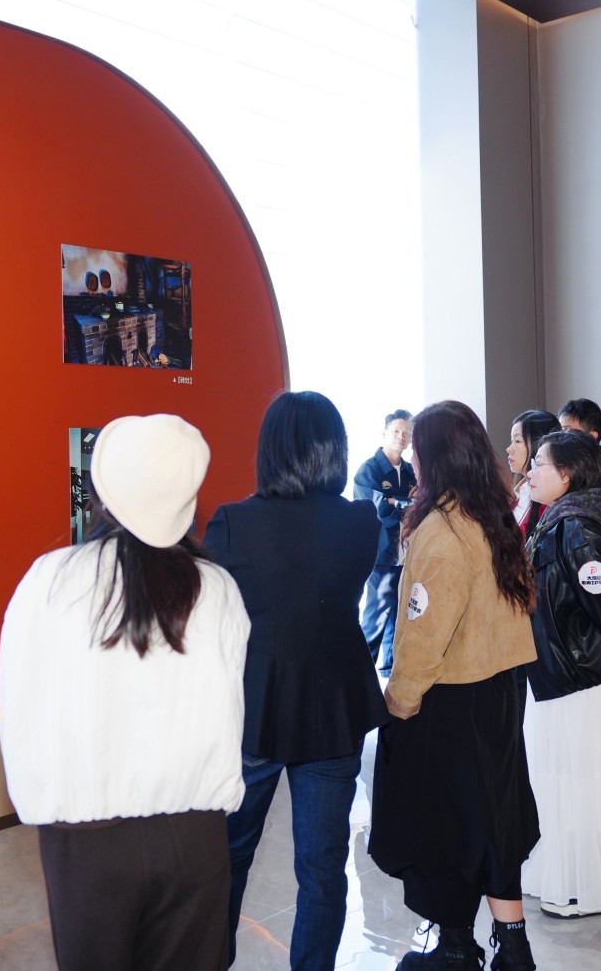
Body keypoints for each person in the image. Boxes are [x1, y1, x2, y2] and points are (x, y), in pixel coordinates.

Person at [0, 415, 249, 970]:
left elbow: (20, 706)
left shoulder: (50, 579)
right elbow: (229, 708)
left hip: (87, 840)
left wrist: (39, 802)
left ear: (105, 488)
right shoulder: (219, 588)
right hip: (195, 835)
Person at [205, 392, 389, 970]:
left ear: (270, 450)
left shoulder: (233, 523)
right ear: (335, 449)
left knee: (227, 861)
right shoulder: (361, 522)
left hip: (256, 707)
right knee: (322, 868)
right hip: (336, 706)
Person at [369, 401, 540, 971]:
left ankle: (456, 947)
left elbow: (424, 635)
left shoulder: (441, 531)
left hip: (453, 698)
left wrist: (399, 702)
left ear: (436, 456)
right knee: (492, 816)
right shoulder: (492, 514)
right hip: (500, 689)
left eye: (418, 449)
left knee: (447, 825)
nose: (412, 457)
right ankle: (509, 946)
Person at [519, 431, 601, 918]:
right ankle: (564, 873)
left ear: (567, 474)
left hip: (581, 678)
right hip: (559, 675)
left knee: (581, 778)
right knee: (560, 778)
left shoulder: (577, 530)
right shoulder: (555, 521)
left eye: (539, 463)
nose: (530, 472)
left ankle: (584, 883)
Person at [354, 408, 416, 673]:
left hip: (407, 555)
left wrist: (396, 502)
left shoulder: (411, 470)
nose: (401, 436)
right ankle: (361, 674)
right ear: (384, 434)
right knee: (376, 615)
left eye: (406, 432)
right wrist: (406, 503)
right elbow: (376, 508)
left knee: (400, 617)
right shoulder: (369, 469)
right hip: (380, 555)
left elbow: (421, 503)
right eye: (396, 431)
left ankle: (389, 674)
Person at [557, 398, 601, 540]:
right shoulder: (569, 468)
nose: (561, 437)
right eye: (560, 430)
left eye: (568, 430)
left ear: (592, 436)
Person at [506, 409, 561, 534]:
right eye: (512, 441)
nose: (509, 449)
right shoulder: (520, 493)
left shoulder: (548, 504)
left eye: (518, 441)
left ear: (540, 445)